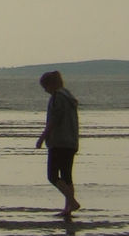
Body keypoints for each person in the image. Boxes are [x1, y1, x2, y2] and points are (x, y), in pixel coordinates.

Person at [36, 70, 82, 216]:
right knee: (67, 176)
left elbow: (53, 121)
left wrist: (42, 138)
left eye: (45, 87)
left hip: (59, 142)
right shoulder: (68, 96)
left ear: (52, 85)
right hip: (71, 141)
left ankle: (72, 202)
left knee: (53, 176)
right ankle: (68, 208)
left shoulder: (58, 97)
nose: (45, 90)